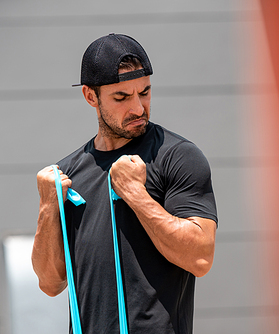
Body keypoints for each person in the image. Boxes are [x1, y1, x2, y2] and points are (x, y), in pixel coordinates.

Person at [32, 33, 218, 334]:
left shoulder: (176, 156)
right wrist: (47, 208)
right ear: (90, 96)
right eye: (121, 97)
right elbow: (50, 283)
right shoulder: (68, 172)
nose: (138, 108)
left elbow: (200, 256)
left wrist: (135, 194)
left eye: (144, 92)